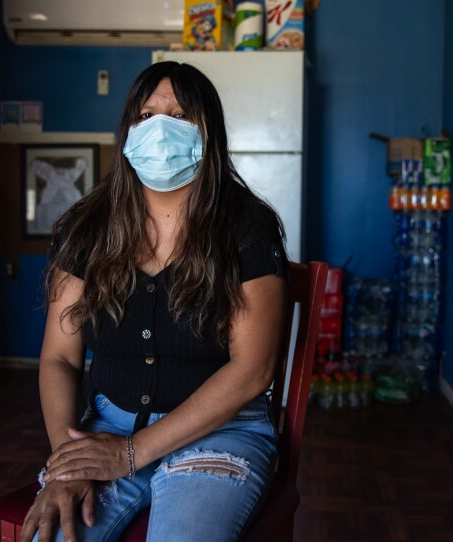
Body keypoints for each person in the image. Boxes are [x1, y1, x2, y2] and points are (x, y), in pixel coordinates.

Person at [21, 60, 289, 542]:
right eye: (146, 115)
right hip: (106, 429)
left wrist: (131, 453)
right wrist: (68, 460)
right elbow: (59, 358)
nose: (160, 129)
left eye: (180, 115)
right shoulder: (86, 227)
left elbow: (253, 369)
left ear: (208, 133)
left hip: (222, 432)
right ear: (127, 130)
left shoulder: (246, 225)